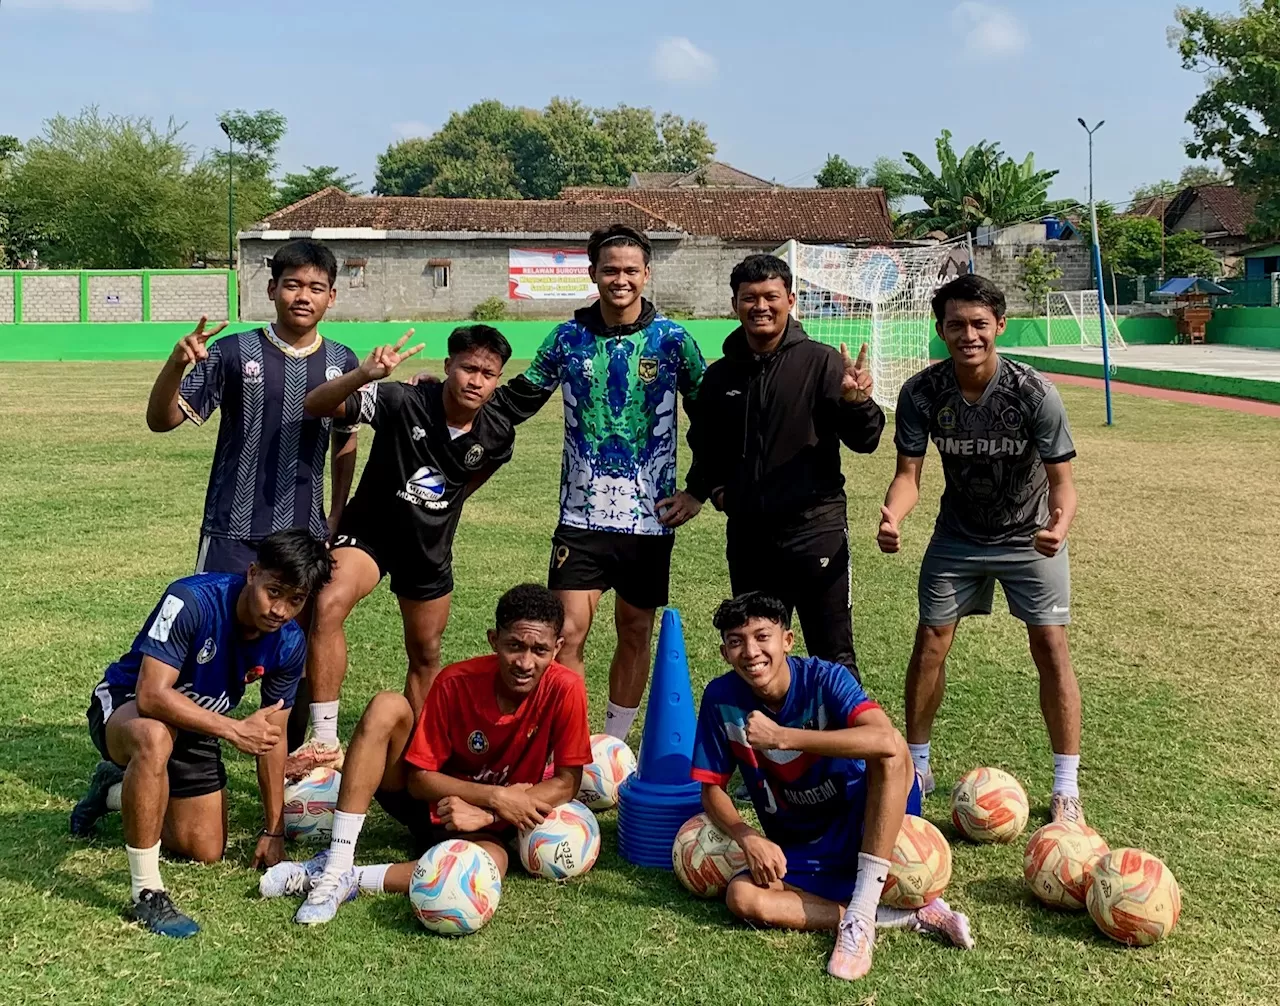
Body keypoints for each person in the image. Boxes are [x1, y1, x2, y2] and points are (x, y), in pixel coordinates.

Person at [479, 223, 706, 742]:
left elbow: (712, 413)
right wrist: (449, 400)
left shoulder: (671, 340)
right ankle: (571, 742)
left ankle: (613, 746)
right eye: (610, 270)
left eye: (630, 270)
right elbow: (519, 399)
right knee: (569, 633)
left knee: (635, 630)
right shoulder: (567, 338)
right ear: (593, 274)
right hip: (580, 516)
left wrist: (699, 489)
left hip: (651, 518)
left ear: (646, 274)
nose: (620, 279)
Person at [877, 273, 1084, 823]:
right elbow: (909, 475)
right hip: (958, 536)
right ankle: (917, 767)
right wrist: (895, 514)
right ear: (940, 329)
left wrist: (1059, 526)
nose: (968, 334)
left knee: (1051, 646)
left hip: (1029, 536)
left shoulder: (1034, 392)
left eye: (978, 324)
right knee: (930, 641)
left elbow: (1061, 482)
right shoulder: (922, 392)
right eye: (955, 325)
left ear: (999, 326)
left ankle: (1066, 787)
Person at [259, 584, 590, 926]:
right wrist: (494, 796)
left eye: (540, 650)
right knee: (387, 706)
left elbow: (568, 781)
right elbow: (419, 781)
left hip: (486, 828)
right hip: (428, 802)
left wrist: (489, 815)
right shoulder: (455, 682)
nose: (525, 662)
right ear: (494, 640)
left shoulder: (566, 688)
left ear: (558, 648)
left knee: (491, 865)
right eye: (514, 646)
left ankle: (345, 877)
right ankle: (339, 859)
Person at [143, 237, 360, 752]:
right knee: (203, 641)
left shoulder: (341, 360)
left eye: (316, 287)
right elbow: (162, 420)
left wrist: (337, 512)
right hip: (231, 529)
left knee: (295, 647)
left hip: (302, 531)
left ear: (332, 297)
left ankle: (290, 757)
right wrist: (176, 364)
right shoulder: (233, 351)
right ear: (271, 289)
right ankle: (180, 754)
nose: (303, 296)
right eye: (292, 285)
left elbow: (346, 437)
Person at [691, 592, 973, 982]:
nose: (751, 651)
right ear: (725, 653)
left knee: (893, 755)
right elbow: (711, 789)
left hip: (866, 820)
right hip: (801, 841)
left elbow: (886, 741)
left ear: (787, 641)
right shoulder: (719, 699)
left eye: (762, 636)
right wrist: (746, 836)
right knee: (742, 897)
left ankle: (859, 915)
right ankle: (887, 914)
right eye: (737, 641)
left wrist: (784, 738)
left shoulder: (825, 678)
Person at [68, 530, 333, 937]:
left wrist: (273, 829)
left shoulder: (289, 644)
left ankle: (114, 792)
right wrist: (232, 730)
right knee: (154, 737)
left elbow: (271, 736)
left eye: (295, 600)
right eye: (274, 591)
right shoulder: (191, 599)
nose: (280, 610)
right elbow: (152, 695)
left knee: (205, 850)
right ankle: (146, 893)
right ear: (252, 573)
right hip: (128, 706)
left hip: (196, 725)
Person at [285, 325, 517, 778]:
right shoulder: (401, 399)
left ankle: (421, 758)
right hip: (369, 534)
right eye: (468, 367)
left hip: (427, 550)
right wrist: (363, 375)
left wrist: (434, 514)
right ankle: (325, 740)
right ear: (448, 366)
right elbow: (315, 405)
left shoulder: (497, 434)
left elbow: (465, 487)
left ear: (497, 379)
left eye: (488, 374)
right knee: (328, 603)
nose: (476, 380)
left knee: (426, 654)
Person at [686, 254, 880, 678]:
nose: (760, 306)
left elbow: (867, 441)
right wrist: (717, 490)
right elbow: (705, 442)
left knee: (833, 655)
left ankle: (844, 745)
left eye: (771, 296)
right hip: (749, 538)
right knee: (759, 652)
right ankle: (772, 744)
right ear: (735, 303)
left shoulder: (822, 362)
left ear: (790, 300)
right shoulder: (720, 377)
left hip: (815, 533)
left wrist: (858, 404)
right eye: (749, 297)